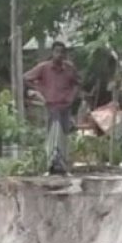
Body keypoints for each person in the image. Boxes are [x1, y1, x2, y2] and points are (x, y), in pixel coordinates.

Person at [24, 41, 80, 175]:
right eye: (57, 52)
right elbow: (26, 78)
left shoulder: (69, 69)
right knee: (52, 135)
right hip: (51, 106)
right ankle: (51, 166)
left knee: (64, 137)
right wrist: (39, 91)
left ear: (65, 54)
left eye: (62, 52)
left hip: (65, 106)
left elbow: (78, 83)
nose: (59, 55)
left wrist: (72, 97)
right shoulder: (44, 68)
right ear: (52, 53)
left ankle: (64, 167)